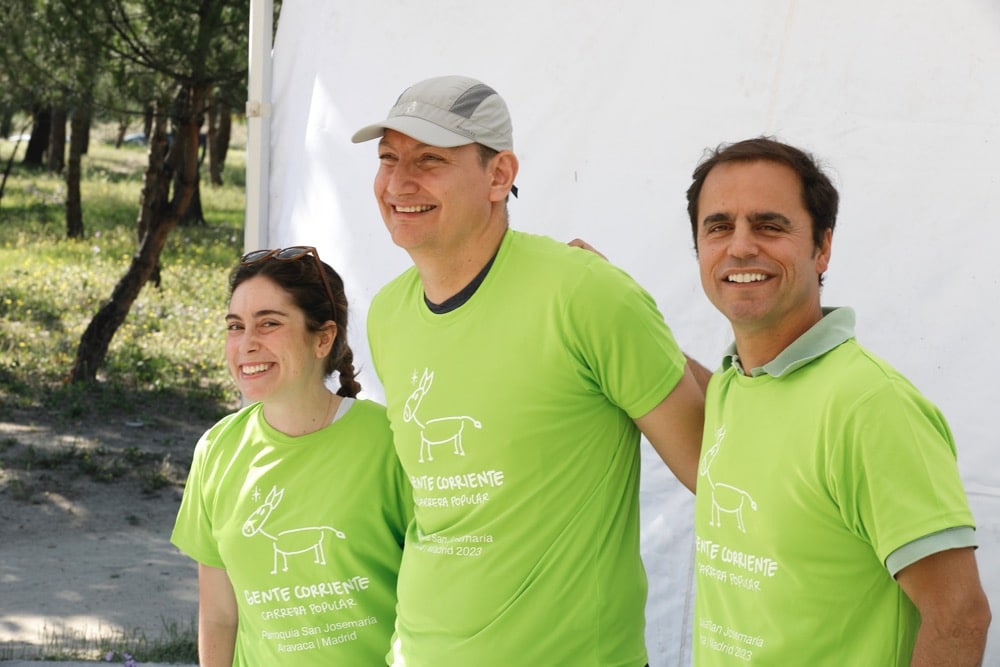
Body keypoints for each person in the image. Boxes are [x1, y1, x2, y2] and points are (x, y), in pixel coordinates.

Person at [350, 74, 705, 666]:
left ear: (499, 175)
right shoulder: (388, 313)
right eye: (388, 158)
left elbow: (711, 471)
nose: (399, 181)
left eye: (430, 159)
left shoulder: (584, 293)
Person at [685, 137, 991, 665]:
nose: (740, 246)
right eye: (719, 227)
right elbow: (687, 387)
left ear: (822, 247)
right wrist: (617, 306)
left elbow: (959, 616)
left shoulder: (870, 406)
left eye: (768, 225)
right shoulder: (738, 386)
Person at [170, 246, 412, 666]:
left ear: (323, 338)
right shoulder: (216, 450)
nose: (247, 344)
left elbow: (433, 598)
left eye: (269, 323)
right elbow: (220, 616)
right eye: (235, 326)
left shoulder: (391, 441)